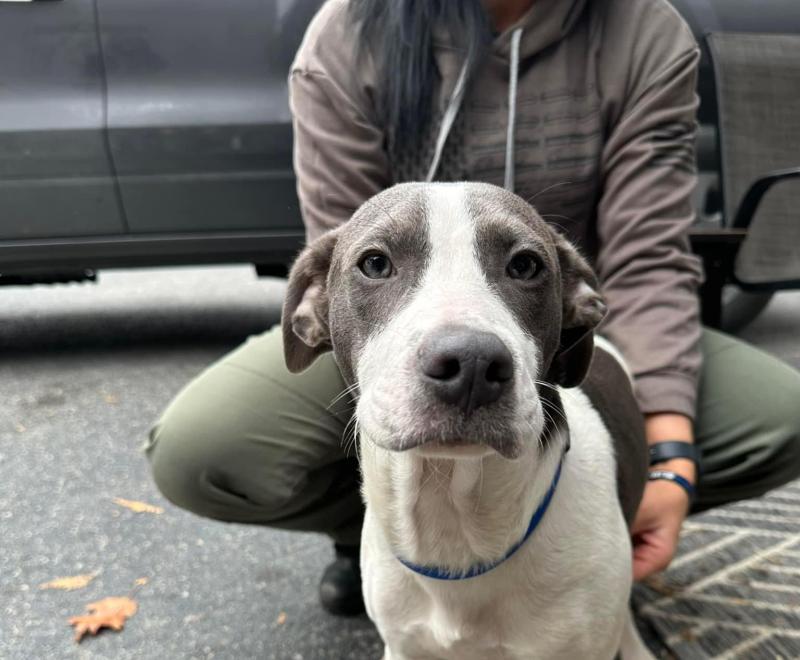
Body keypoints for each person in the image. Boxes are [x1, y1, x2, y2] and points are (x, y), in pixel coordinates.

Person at [146, 0, 800, 616]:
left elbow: (648, 257)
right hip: (396, 338)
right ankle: (394, 533)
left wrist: (668, 459)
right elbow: (348, 261)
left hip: (567, 326)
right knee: (202, 451)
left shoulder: (642, 30)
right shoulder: (351, 33)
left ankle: (574, 522)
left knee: (783, 416)